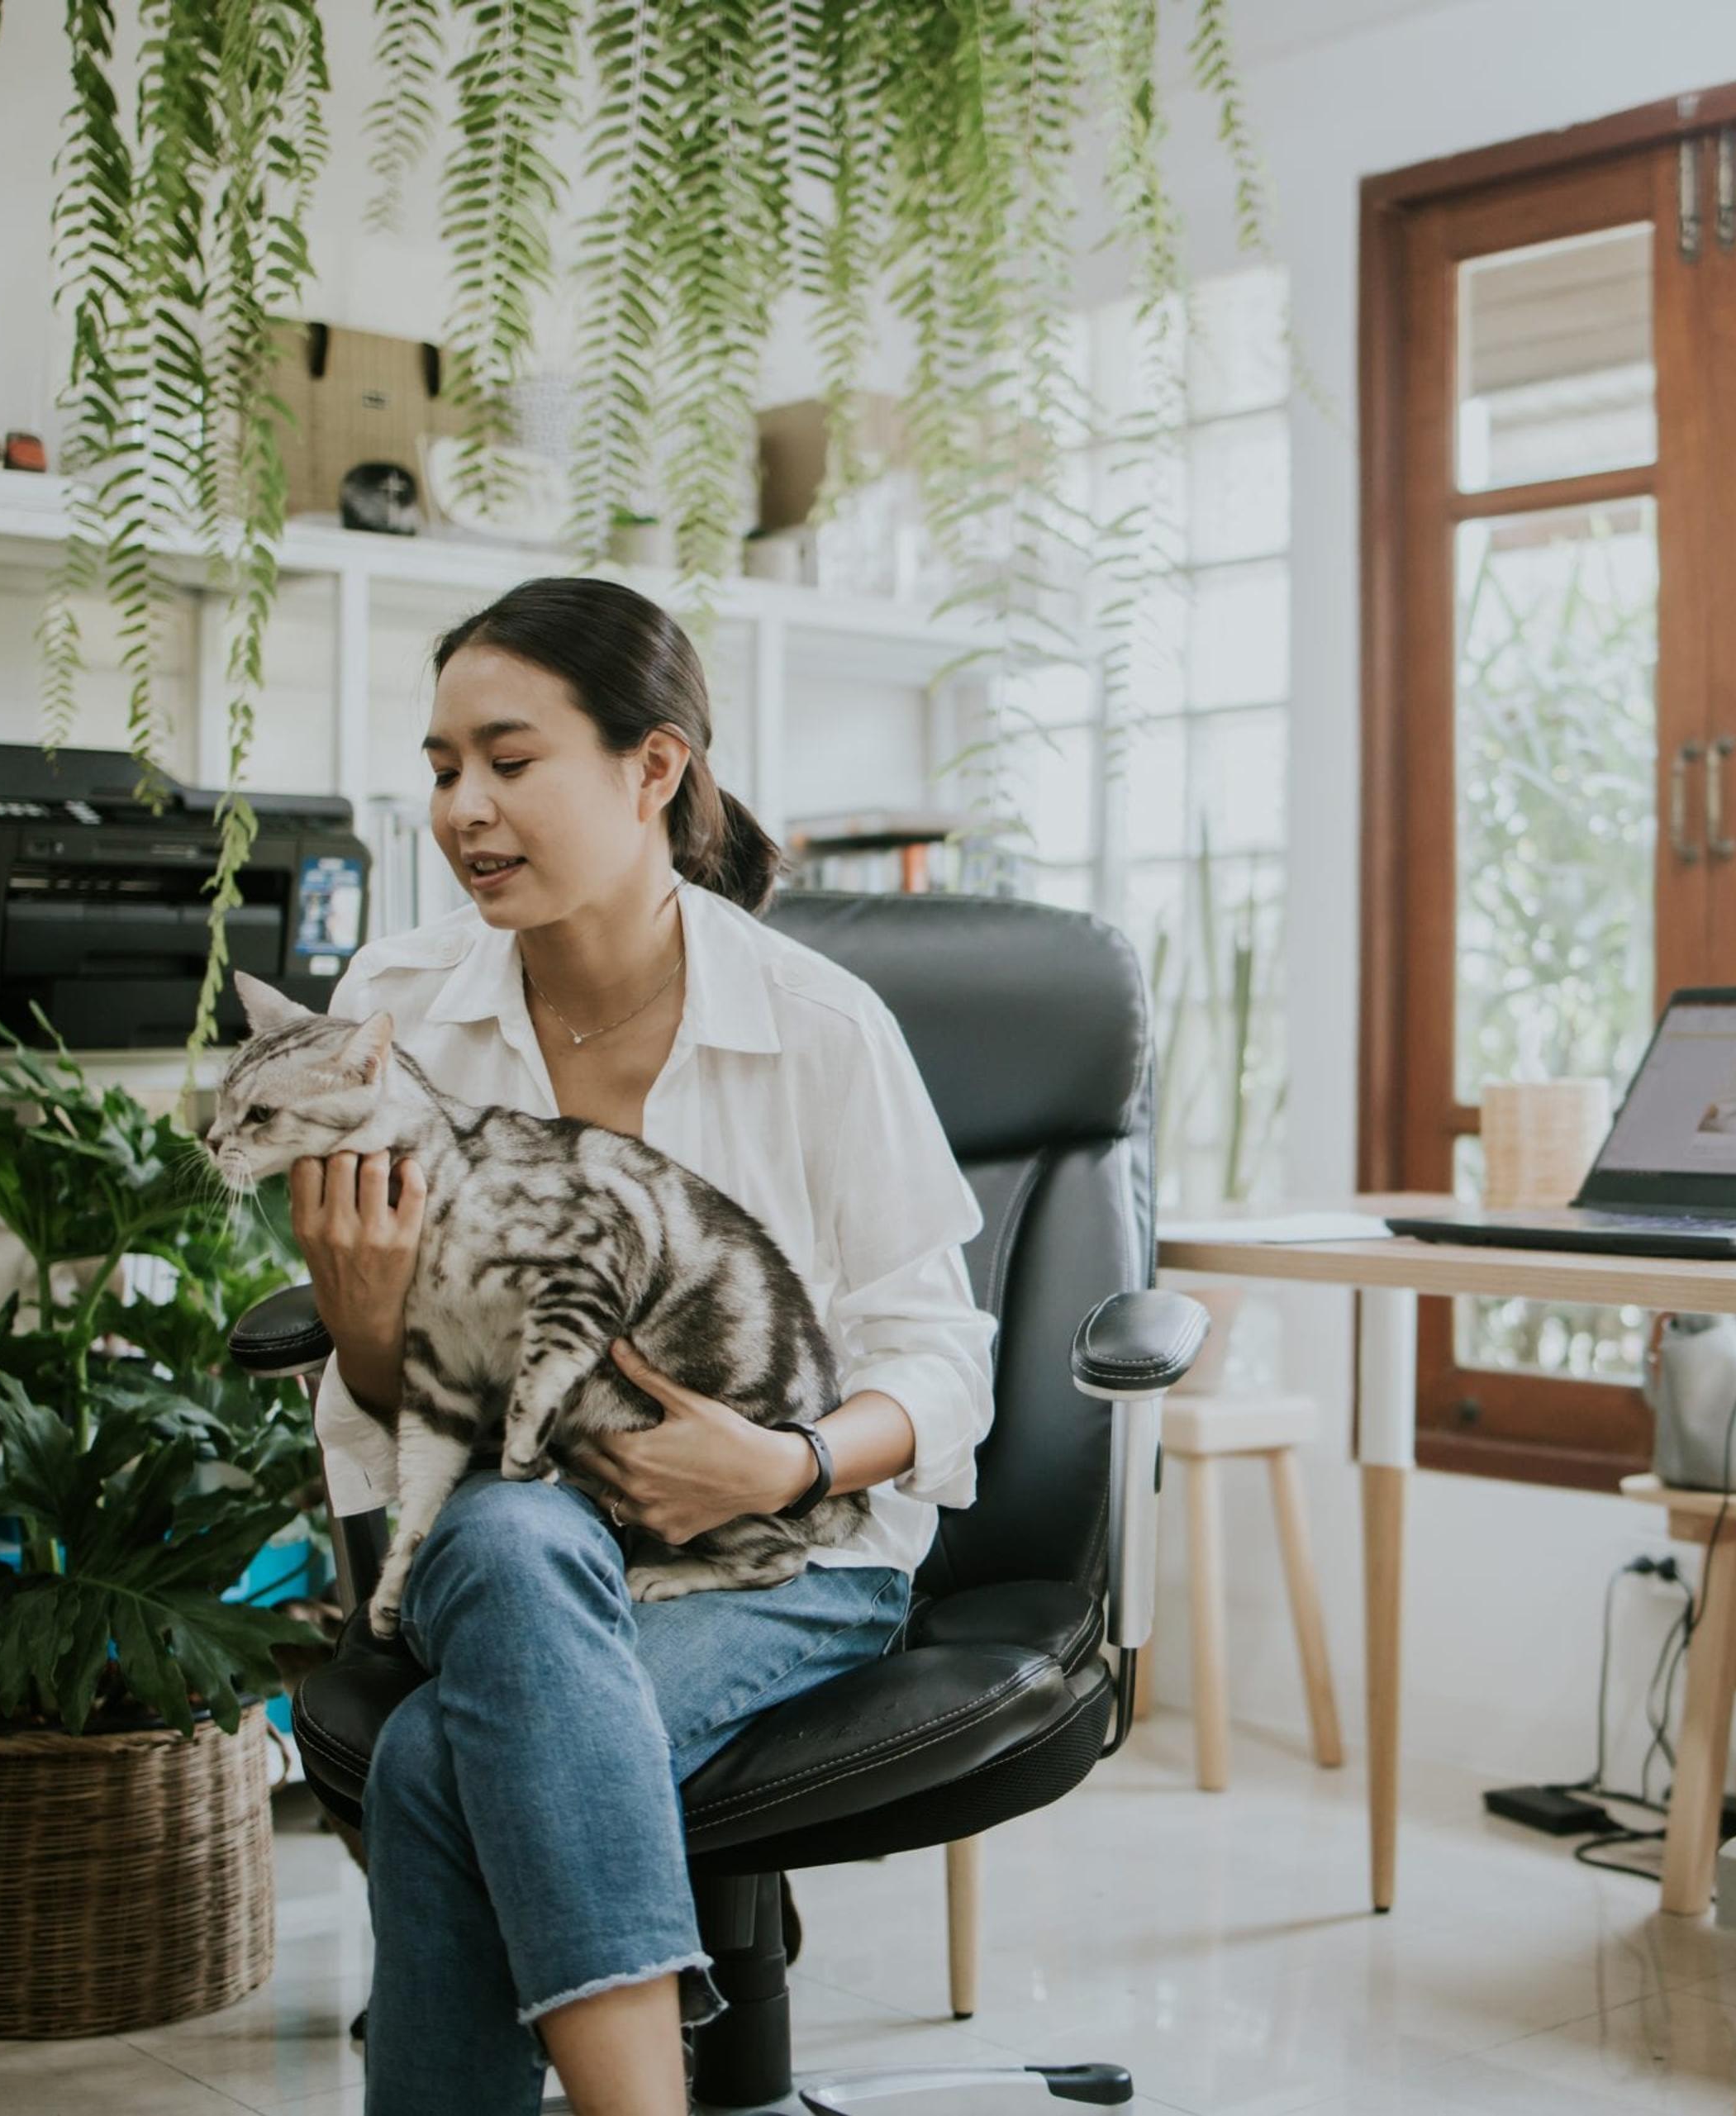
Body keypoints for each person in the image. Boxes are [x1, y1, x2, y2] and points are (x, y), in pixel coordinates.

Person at [289, 576, 996, 2115]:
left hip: (793, 1555)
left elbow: (944, 1356)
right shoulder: (393, 1014)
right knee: (507, 1525)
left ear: (653, 769)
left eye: (509, 759)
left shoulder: (819, 1026)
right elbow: (387, 1412)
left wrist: (782, 1459)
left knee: (431, 1771)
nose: (462, 807)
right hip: (495, 1543)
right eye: (440, 767)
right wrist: (358, 1322)